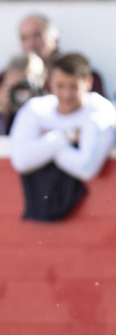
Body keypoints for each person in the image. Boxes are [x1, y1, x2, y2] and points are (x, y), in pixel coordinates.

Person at [10, 53, 116, 220]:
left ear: (88, 83)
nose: (66, 94)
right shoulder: (36, 108)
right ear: (49, 83)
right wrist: (67, 136)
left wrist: (47, 143)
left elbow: (87, 168)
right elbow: (21, 160)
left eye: (74, 86)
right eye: (60, 85)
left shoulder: (99, 110)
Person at [0, 14, 106, 104]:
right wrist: (3, 95)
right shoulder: (17, 70)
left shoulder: (77, 71)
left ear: (56, 39)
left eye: (37, 35)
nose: (30, 43)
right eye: (24, 38)